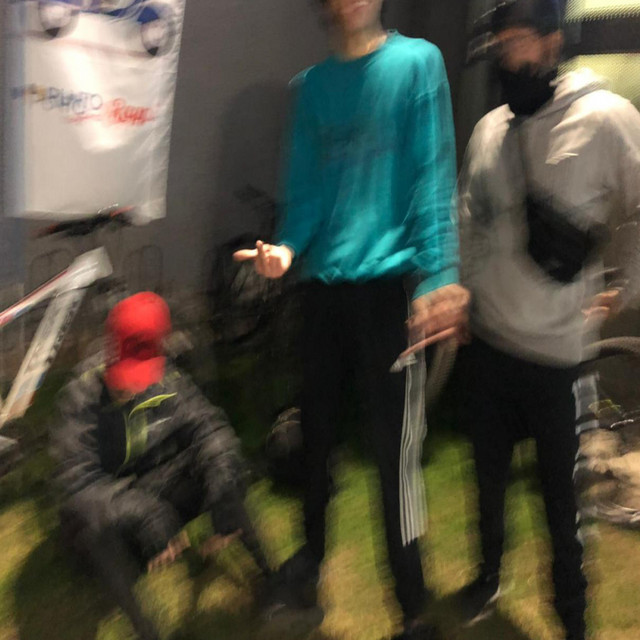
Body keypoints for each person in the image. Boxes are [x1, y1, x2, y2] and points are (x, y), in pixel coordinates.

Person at [234, 1, 468, 638]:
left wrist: (441, 276)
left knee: (397, 456)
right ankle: (308, 567)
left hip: (389, 296)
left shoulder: (417, 64)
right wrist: (285, 251)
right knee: (314, 441)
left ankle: (411, 607)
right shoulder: (311, 87)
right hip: (322, 296)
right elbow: (306, 193)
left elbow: (431, 177)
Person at [456, 1, 640, 638]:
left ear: (554, 43)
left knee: (563, 506)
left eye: (521, 41)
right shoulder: (489, 130)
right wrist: (461, 295)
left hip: (559, 360)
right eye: (500, 44)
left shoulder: (606, 118)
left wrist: (624, 286)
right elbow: (467, 218)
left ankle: (572, 618)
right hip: (489, 344)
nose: (509, 55)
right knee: (487, 482)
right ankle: (487, 578)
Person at [51, 292, 271, 640]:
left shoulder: (169, 377)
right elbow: (78, 483)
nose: (135, 383)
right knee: (93, 529)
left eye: (143, 369)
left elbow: (209, 427)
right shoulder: (80, 396)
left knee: (222, 471)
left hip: (153, 490)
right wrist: (142, 513)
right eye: (126, 370)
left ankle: (272, 581)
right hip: (112, 517)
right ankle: (146, 631)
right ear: (110, 350)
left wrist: (223, 487)